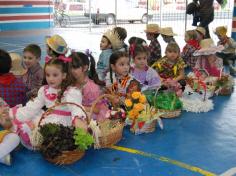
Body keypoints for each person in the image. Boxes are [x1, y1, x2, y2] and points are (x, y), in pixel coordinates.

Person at [0, 57, 87, 149]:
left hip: (62, 124)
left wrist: (79, 123)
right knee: (27, 122)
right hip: (47, 118)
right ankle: (10, 138)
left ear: (64, 75)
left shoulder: (71, 92)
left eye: (55, 75)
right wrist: (14, 115)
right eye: (48, 75)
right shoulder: (44, 90)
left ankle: (11, 142)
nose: (50, 79)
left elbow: (76, 108)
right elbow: (33, 107)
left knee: (43, 135)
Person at [70, 51, 109, 121]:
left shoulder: (92, 88)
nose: (71, 70)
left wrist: (78, 107)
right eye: (69, 67)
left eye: (75, 67)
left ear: (85, 68)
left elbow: (97, 110)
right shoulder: (69, 83)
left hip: (91, 119)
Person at [0, 98, 20, 166]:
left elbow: (8, 125)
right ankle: (3, 157)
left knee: (15, 138)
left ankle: (2, 155)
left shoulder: (2, 104)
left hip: (1, 136)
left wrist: (5, 117)